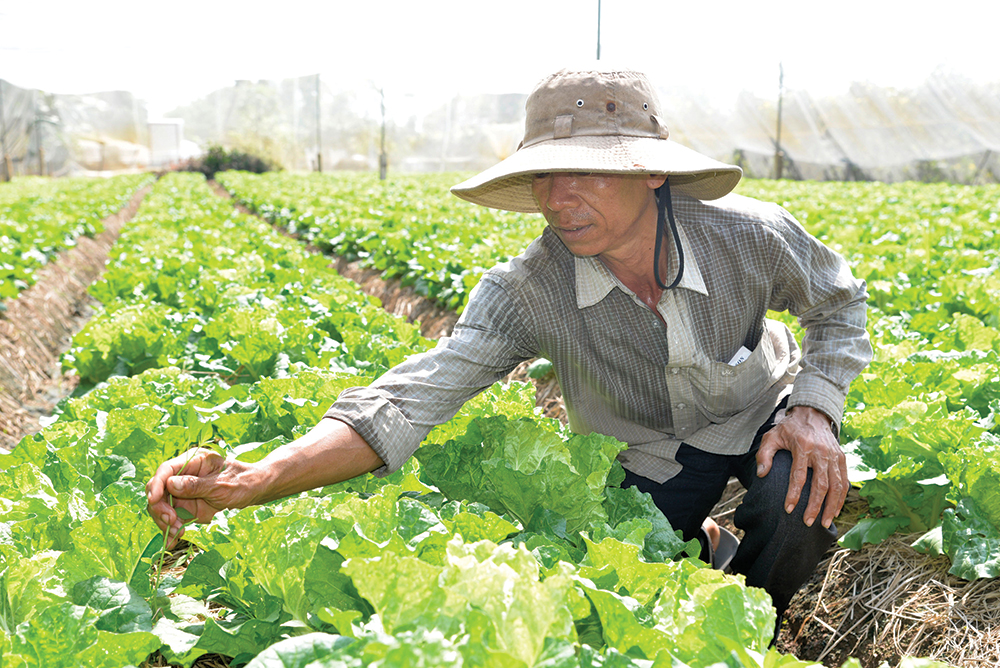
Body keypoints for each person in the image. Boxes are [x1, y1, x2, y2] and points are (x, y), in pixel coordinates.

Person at [147, 66, 872, 633]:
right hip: (645, 450)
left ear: (653, 172)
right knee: (624, 569)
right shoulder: (529, 288)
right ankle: (701, 544)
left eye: (586, 170)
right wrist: (255, 478)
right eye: (545, 174)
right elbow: (408, 400)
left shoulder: (746, 234)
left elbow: (838, 303)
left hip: (756, 406)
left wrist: (813, 408)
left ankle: (749, 625)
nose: (558, 197)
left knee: (795, 504)